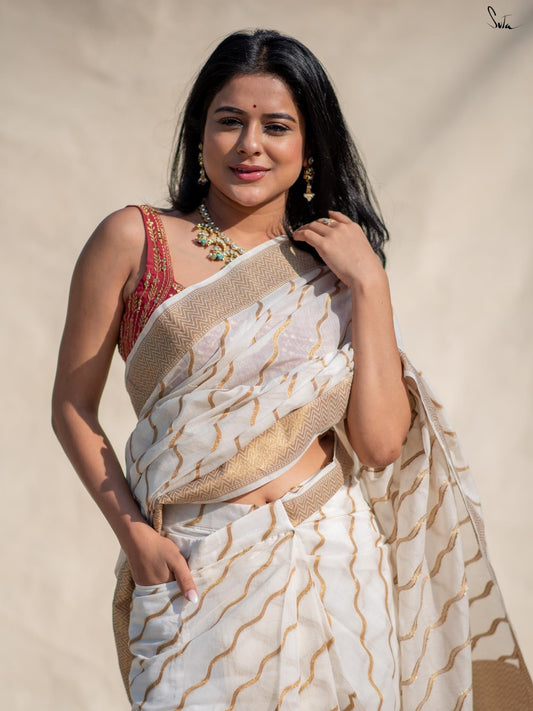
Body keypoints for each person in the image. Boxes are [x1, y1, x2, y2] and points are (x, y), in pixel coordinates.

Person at [52, 28, 532, 711]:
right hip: (196, 562)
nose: (250, 144)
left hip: (335, 559)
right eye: (229, 121)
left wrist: (370, 283)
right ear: (198, 134)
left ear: (309, 147)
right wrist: (135, 538)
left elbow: (379, 443)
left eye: (276, 126)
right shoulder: (135, 239)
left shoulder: (332, 268)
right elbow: (71, 406)